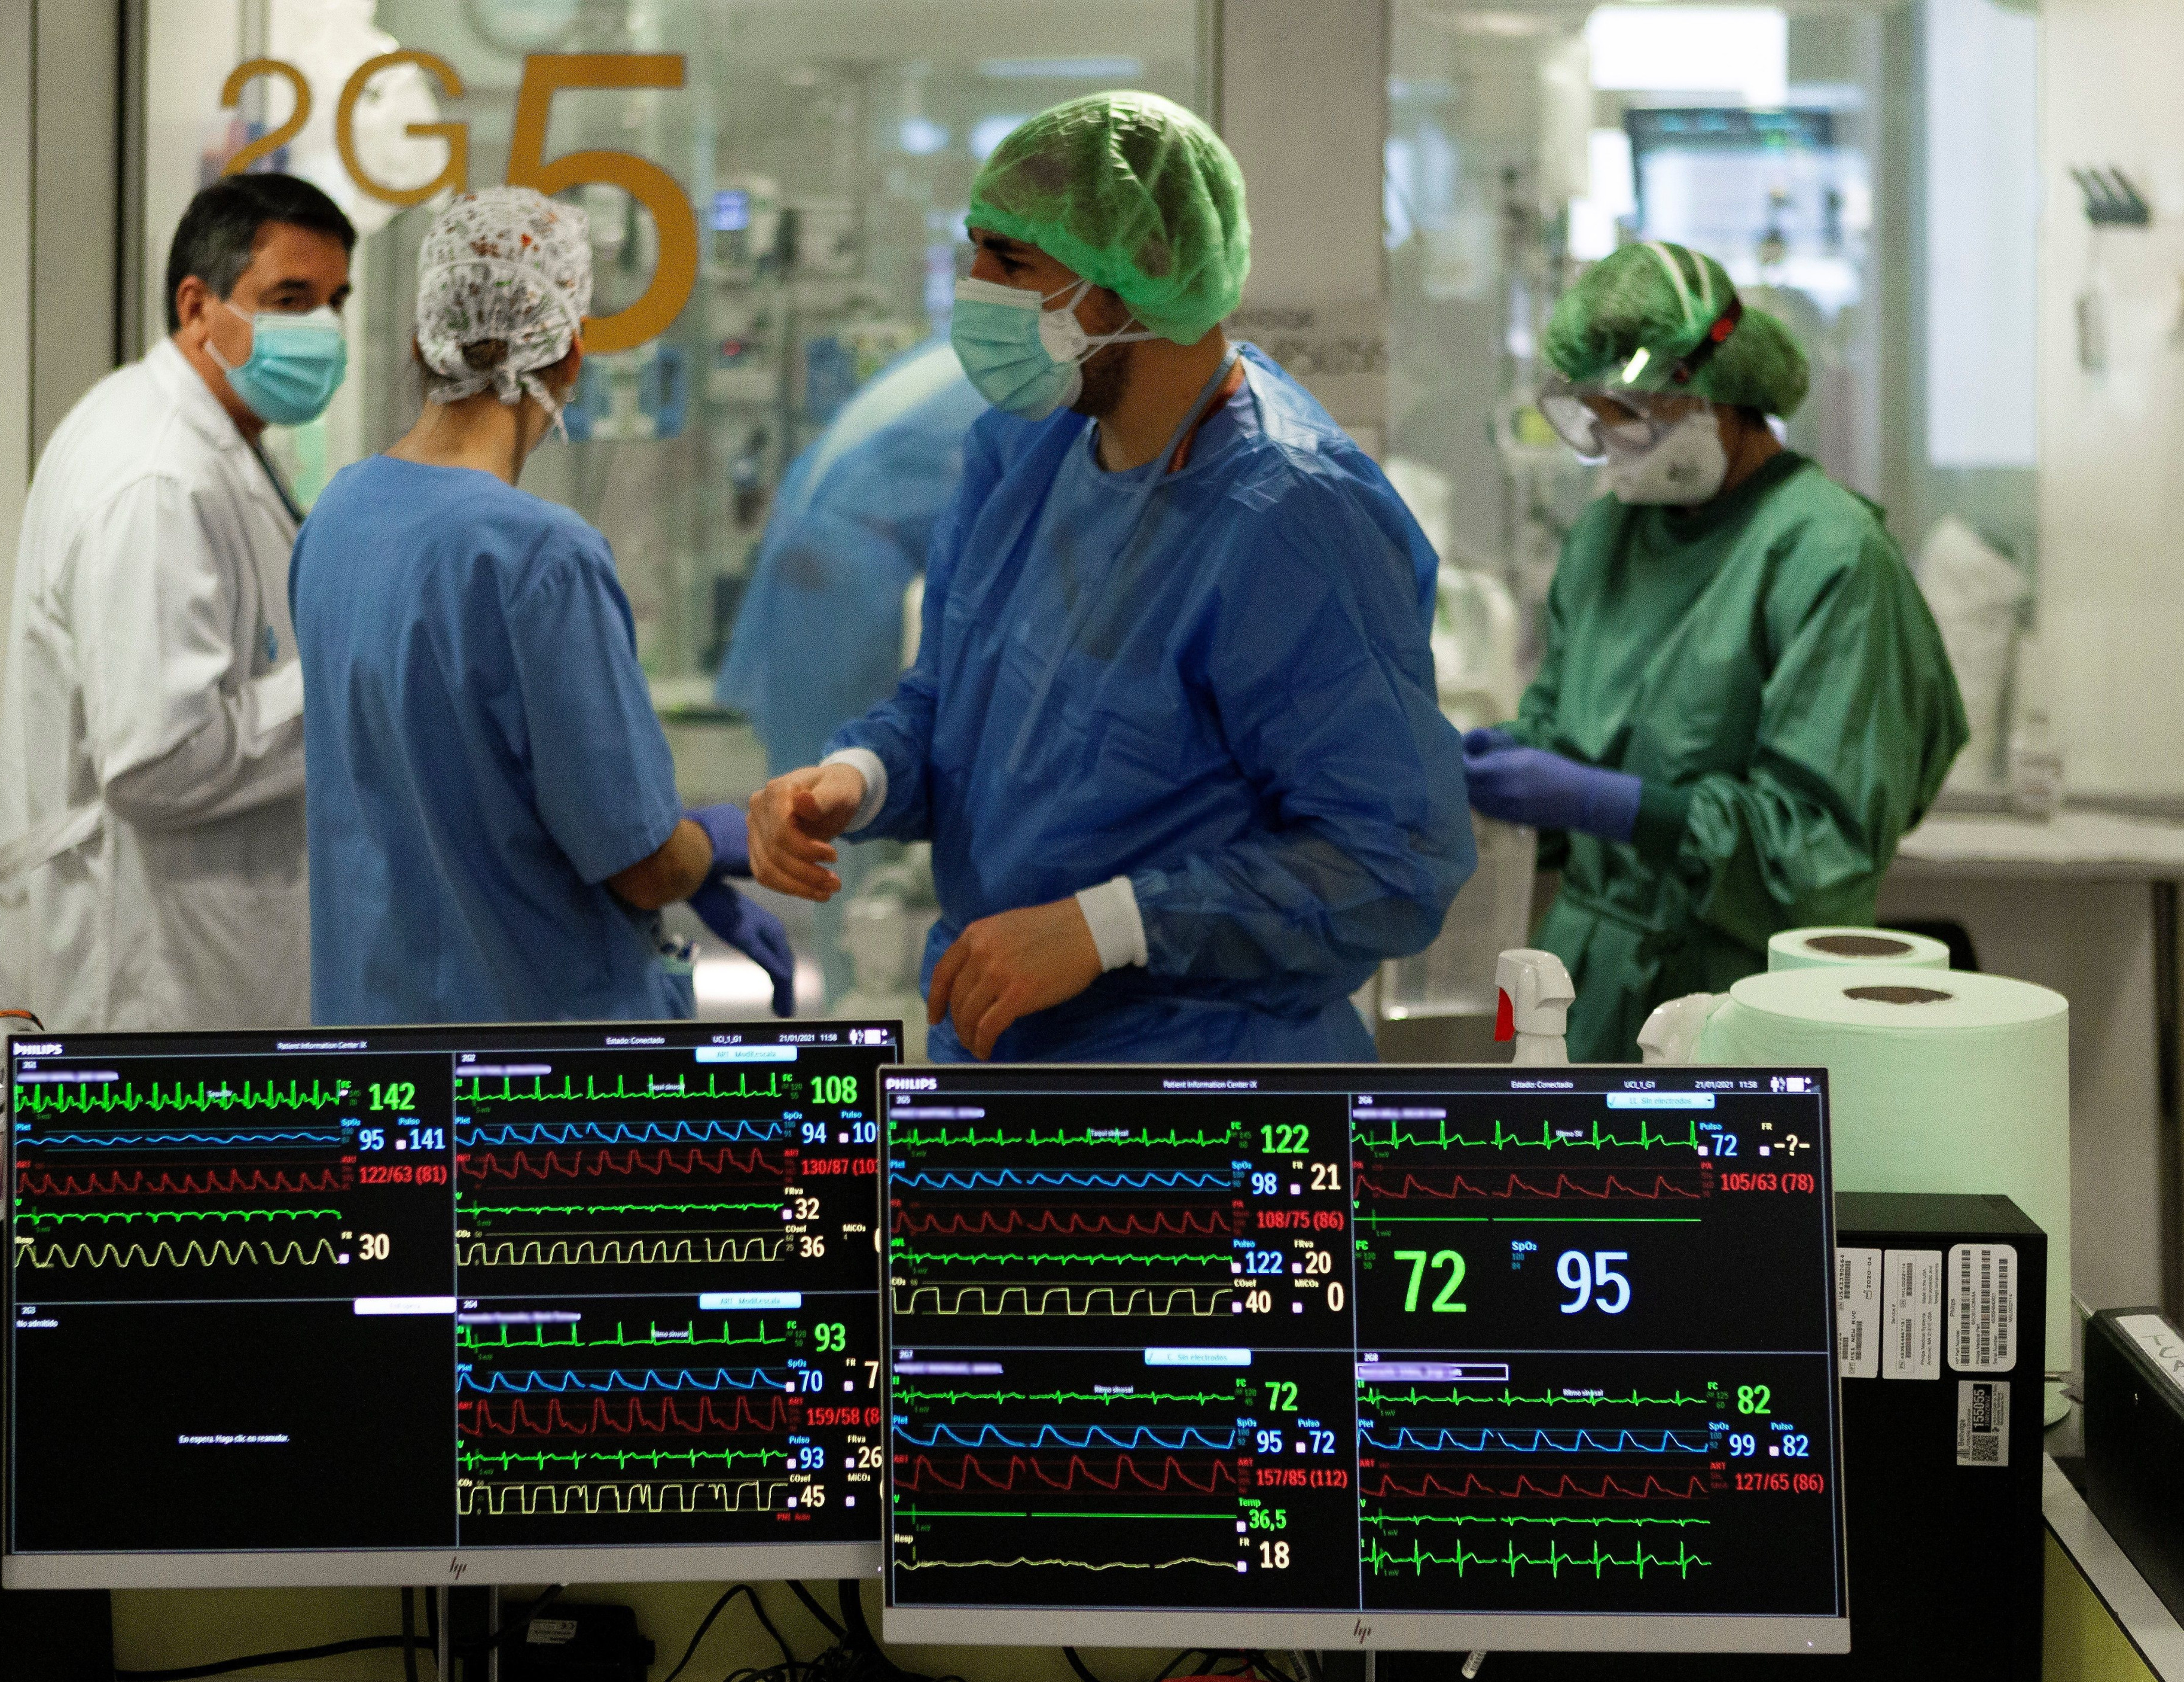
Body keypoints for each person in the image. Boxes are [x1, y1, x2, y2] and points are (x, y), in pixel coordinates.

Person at [746, 93, 1474, 1064]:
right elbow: (956, 702)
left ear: (1142, 275)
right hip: (1007, 1049)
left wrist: (1110, 927)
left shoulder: (1292, 519)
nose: (974, 292)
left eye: (1011, 264)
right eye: (975, 254)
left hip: (1204, 1096)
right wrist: (856, 777)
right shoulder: (1026, 451)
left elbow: (1393, 860)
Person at [291, 186, 793, 1026]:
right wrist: (713, 843)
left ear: (421, 342)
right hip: (535, 1083)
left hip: (382, 1046)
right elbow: (636, 860)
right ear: (569, 357)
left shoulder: (339, 517)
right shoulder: (541, 559)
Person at [1463, 240, 1967, 1062]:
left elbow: (1819, 850)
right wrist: (1499, 772)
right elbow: (1564, 733)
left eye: (1631, 410)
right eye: (1593, 413)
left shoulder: (1830, 556)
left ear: (1717, 395)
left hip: (1733, 1007)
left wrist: (1621, 806)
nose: (1608, 436)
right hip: (1577, 993)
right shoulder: (1603, 540)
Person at [0, 172, 356, 1031]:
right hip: (149, 972)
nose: (324, 331)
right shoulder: (155, 474)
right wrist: (345, 674)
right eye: (290, 298)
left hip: (195, 951)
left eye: (335, 301)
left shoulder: (207, 442)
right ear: (196, 304)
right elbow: (158, 758)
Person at [715, 339, 987, 1005]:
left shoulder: (961, 369)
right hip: (845, 585)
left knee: (838, 811)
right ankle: (859, 1009)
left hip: (830, 574)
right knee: (840, 830)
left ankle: (856, 1001)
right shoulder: (1019, 395)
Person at [716, 339, 986, 778]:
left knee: (826, 770)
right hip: (844, 572)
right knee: (836, 775)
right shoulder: (1011, 392)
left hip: (829, 554)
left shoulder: (964, 365)